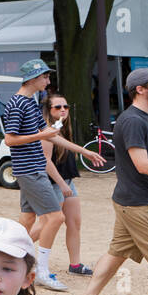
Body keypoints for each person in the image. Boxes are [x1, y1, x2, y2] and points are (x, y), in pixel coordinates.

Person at [73, 68, 148, 295]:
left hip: (130, 201)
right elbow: (143, 164)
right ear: (140, 89)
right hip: (140, 204)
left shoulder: (143, 119)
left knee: (117, 252)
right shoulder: (133, 121)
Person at [2, 59, 102, 291]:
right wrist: (39, 136)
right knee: (56, 218)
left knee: (27, 220)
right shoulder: (19, 104)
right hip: (30, 169)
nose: (48, 82)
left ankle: (10, 260)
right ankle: (42, 271)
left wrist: (84, 151)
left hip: (32, 169)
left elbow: (49, 135)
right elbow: (10, 139)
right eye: (45, 77)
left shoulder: (29, 102)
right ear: (33, 78)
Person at [41, 96, 90, 276]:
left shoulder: (62, 129)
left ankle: (75, 265)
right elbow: (45, 161)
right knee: (47, 224)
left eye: (66, 106)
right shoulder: (47, 132)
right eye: (57, 107)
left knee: (74, 222)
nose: (63, 110)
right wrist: (61, 184)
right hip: (54, 183)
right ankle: (12, 247)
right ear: (48, 110)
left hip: (68, 181)